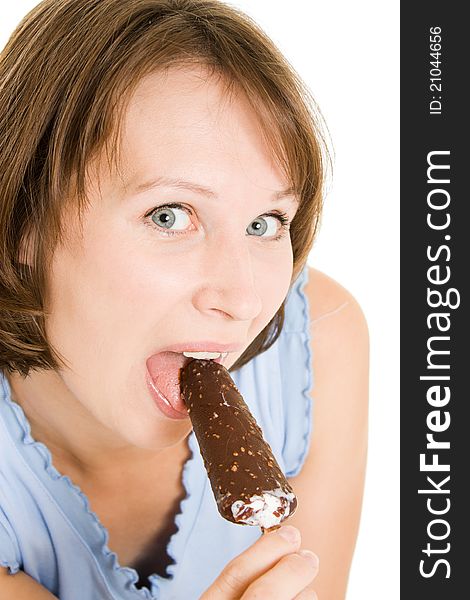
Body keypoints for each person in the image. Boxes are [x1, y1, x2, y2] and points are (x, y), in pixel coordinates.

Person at [0, 1, 369, 598]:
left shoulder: (321, 338)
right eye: (169, 215)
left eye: (266, 223)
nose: (244, 298)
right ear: (25, 222)